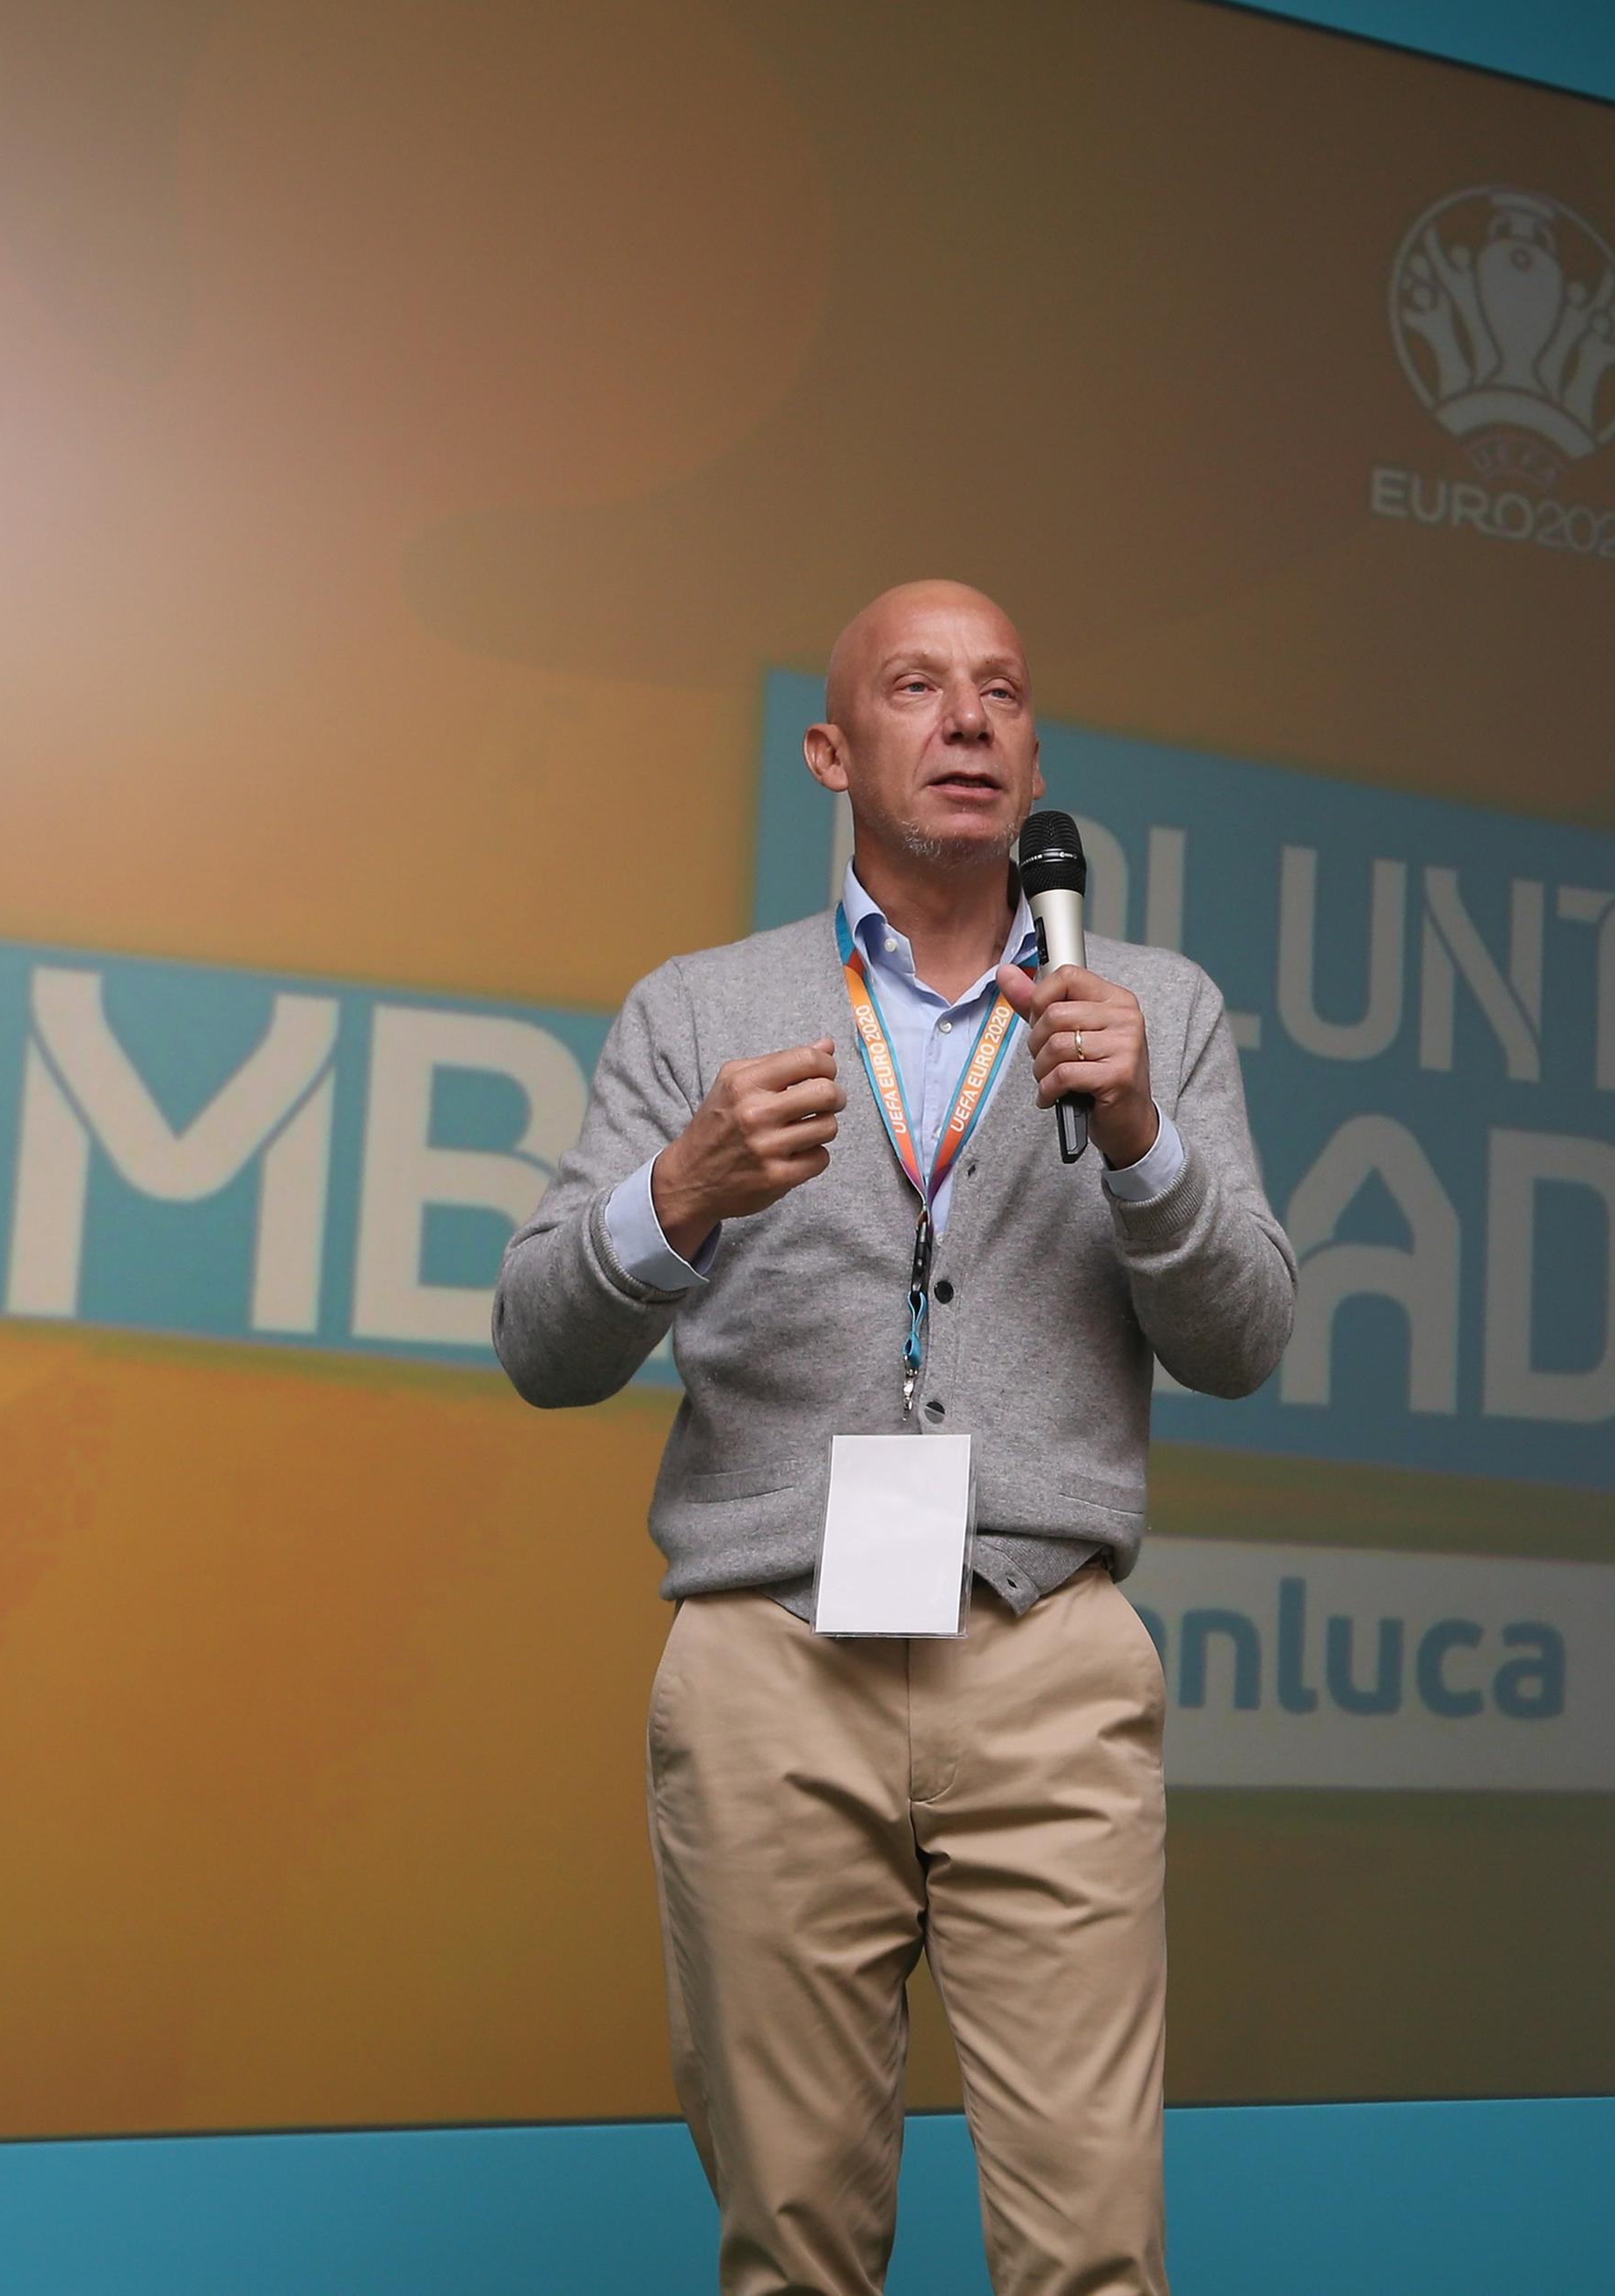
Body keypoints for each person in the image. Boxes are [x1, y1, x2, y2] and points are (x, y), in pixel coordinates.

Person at [495, 579, 1295, 2296]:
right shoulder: (698, 1013)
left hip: (1046, 1651)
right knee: (793, 2247)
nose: (968, 719)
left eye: (1002, 690)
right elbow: (540, 1342)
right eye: (919, 686)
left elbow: (1245, 1338)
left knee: (1095, 2245)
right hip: (771, 1658)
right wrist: (678, 1193)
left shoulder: (1150, 1003)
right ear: (831, 747)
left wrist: (1144, 1131)